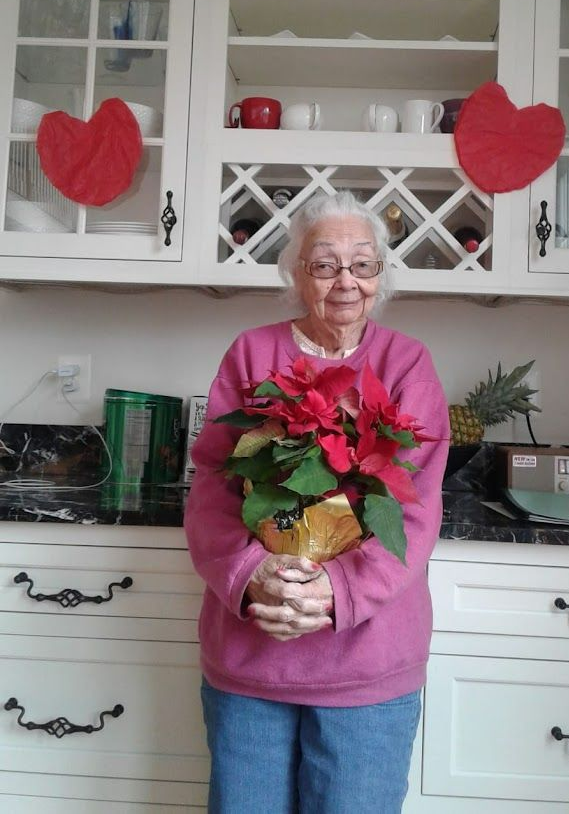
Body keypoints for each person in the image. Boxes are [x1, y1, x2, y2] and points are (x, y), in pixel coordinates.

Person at [184, 190, 449, 814]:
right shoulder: (252, 352)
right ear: (296, 274)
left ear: (380, 277)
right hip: (254, 652)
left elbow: (414, 506)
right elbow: (213, 488)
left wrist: (335, 592)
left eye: (363, 264)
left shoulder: (407, 363)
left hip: (367, 662)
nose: (346, 281)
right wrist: (253, 578)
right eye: (325, 263)